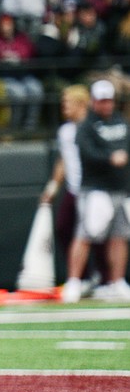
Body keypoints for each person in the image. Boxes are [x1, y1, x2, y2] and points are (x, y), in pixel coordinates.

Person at [61, 80, 130, 302]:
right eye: (102, 100)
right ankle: (74, 281)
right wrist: (110, 157)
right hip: (95, 188)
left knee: (119, 236)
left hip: (120, 187)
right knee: (86, 233)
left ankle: (117, 281)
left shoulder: (122, 122)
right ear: (93, 101)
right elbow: (88, 153)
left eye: (109, 100)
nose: (106, 105)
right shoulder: (86, 126)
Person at [41, 85, 107, 288]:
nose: (64, 107)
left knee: (100, 235)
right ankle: (84, 276)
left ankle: (105, 279)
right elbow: (64, 160)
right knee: (64, 228)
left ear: (81, 104)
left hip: (95, 187)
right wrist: (53, 186)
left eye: (68, 103)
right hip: (74, 188)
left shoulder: (95, 126)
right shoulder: (65, 130)